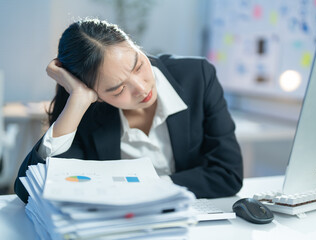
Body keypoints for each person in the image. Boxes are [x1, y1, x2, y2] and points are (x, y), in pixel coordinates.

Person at [14, 18, 243, 203]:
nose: (142, 88)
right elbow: (29, 191)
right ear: (96, 95)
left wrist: (141, 188)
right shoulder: (84, 107)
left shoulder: (198, 77)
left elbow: (227, 175)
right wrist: (78, 101)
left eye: (138, 65)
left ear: (135, 46)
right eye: (118, 89)